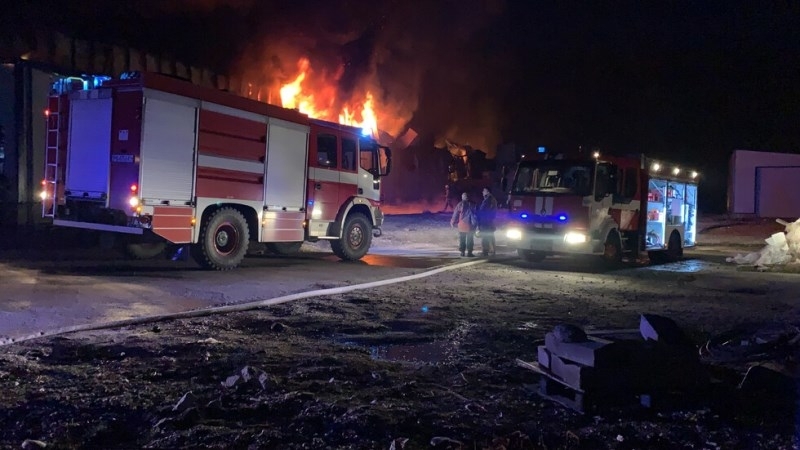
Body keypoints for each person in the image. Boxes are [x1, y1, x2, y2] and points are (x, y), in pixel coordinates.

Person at [450, 192, 476, 257]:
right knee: (470, 239)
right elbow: (476, 214)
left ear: (462, 197)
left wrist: (452, 222)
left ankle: (462, 252)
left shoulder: (460, 204)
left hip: (461, 225)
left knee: (462, 239)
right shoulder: (472, 205)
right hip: (470, 225)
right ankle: (469, 252)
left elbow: (455, 214)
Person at [477, 187, 498, 256]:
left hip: (486, 221)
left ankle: (486, 251)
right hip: (489, 221)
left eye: (484, 191)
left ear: (488, 192)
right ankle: (491, 250)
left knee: (486, 236)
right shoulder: (491, 199)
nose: (482, 192)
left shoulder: (488, 200)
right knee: (490, 236)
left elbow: (483, 210)